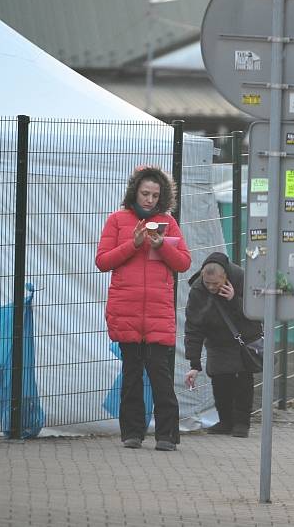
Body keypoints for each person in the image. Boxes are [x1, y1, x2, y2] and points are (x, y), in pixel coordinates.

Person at [95, 165, 191, 451]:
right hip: (126, 310)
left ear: (162, 197)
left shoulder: (168, 223)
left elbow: (183, 263)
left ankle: (166, 436)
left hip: (158, 313)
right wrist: (134, 244)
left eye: (154, 195)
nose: (149, 199)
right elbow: (102, 261)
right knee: (132, 375)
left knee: (161, 376)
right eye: (145, 193)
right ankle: (132, 434)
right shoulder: (117, 220)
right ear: (135, 192)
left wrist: (162, 246)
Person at [183, 252, 263, 438]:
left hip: (245, 338)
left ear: (225, 277)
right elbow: (193, 327)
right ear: (203, 276)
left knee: (244, 380)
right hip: (217, 340)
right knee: (220, 380)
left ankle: (242, 423)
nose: (211, 287)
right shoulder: (198, 290)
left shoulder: (242, 278)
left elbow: (258, 311)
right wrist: (194, 363)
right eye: (207, 283)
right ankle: (225, 421)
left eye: (216, 284)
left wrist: (235, 300)